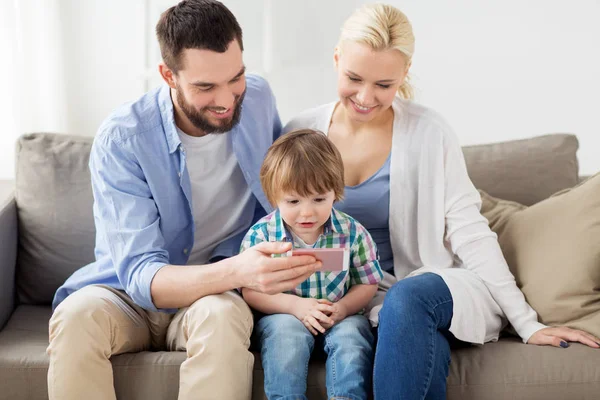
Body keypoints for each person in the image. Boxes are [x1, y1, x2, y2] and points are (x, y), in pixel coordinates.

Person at [284, 3, 600, 399]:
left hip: (427, 282)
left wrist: (526, 322)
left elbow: (470, 232)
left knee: (405, 299)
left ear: (404, 73)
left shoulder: (429, 132)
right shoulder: (300, 132)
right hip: (348, 293)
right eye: (354, 78)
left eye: (384, 84)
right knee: (390, 307)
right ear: (335, 59)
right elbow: (285, 232)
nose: (366, 97)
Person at [46, 1, 321, 399]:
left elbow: (286, 188)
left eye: (236, 77)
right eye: (205, 87)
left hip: (212, 297)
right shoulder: (123, 139)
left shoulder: (258, 99)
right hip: (125, 296)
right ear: (168, 76)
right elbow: (142, 277)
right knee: (75, 318)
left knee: (224, 316)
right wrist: (240, 271)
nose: (226, 99)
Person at [240, 129, 384, 400]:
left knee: (353, 335)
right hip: (286, 315)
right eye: (293, 201)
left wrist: (342, 309)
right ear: (274, 198)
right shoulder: (262, 236)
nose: (307, 212)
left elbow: (368, 282)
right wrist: (295, 306)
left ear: (335, 193)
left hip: (338, 316)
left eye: (319, 199)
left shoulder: (352, 233)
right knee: (286, 335)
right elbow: (251, 290)